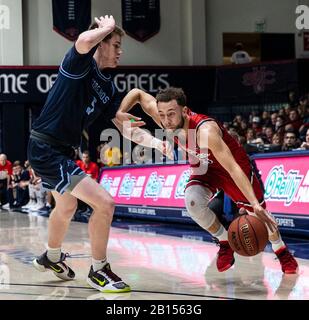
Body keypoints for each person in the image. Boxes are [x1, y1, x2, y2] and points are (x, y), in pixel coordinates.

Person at [114, 87, 298, 274]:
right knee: (192, 202)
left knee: (260, 214)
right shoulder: (166, 118)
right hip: (204, 166)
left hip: (231, 168)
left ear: (185, 111)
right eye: (162, 114)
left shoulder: (205, 131)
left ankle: (282, 252)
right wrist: (121, 112)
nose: (166, 121)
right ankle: (225, 242)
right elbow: (137, 93)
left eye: (171, 114)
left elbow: (233, 168)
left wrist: (254, 204)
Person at [27, 15, 130, 292]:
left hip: (60, 152)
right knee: (105, 204)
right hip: (46, 149)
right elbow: (83, 41)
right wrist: (104, 29)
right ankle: (98, 270)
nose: (120, 52)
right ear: (102, 43)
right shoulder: (79, 64)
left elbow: (123, 125)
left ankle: (51, 256)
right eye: (116, 44)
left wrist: (158, 143)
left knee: (67, 206)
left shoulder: (109, 87)